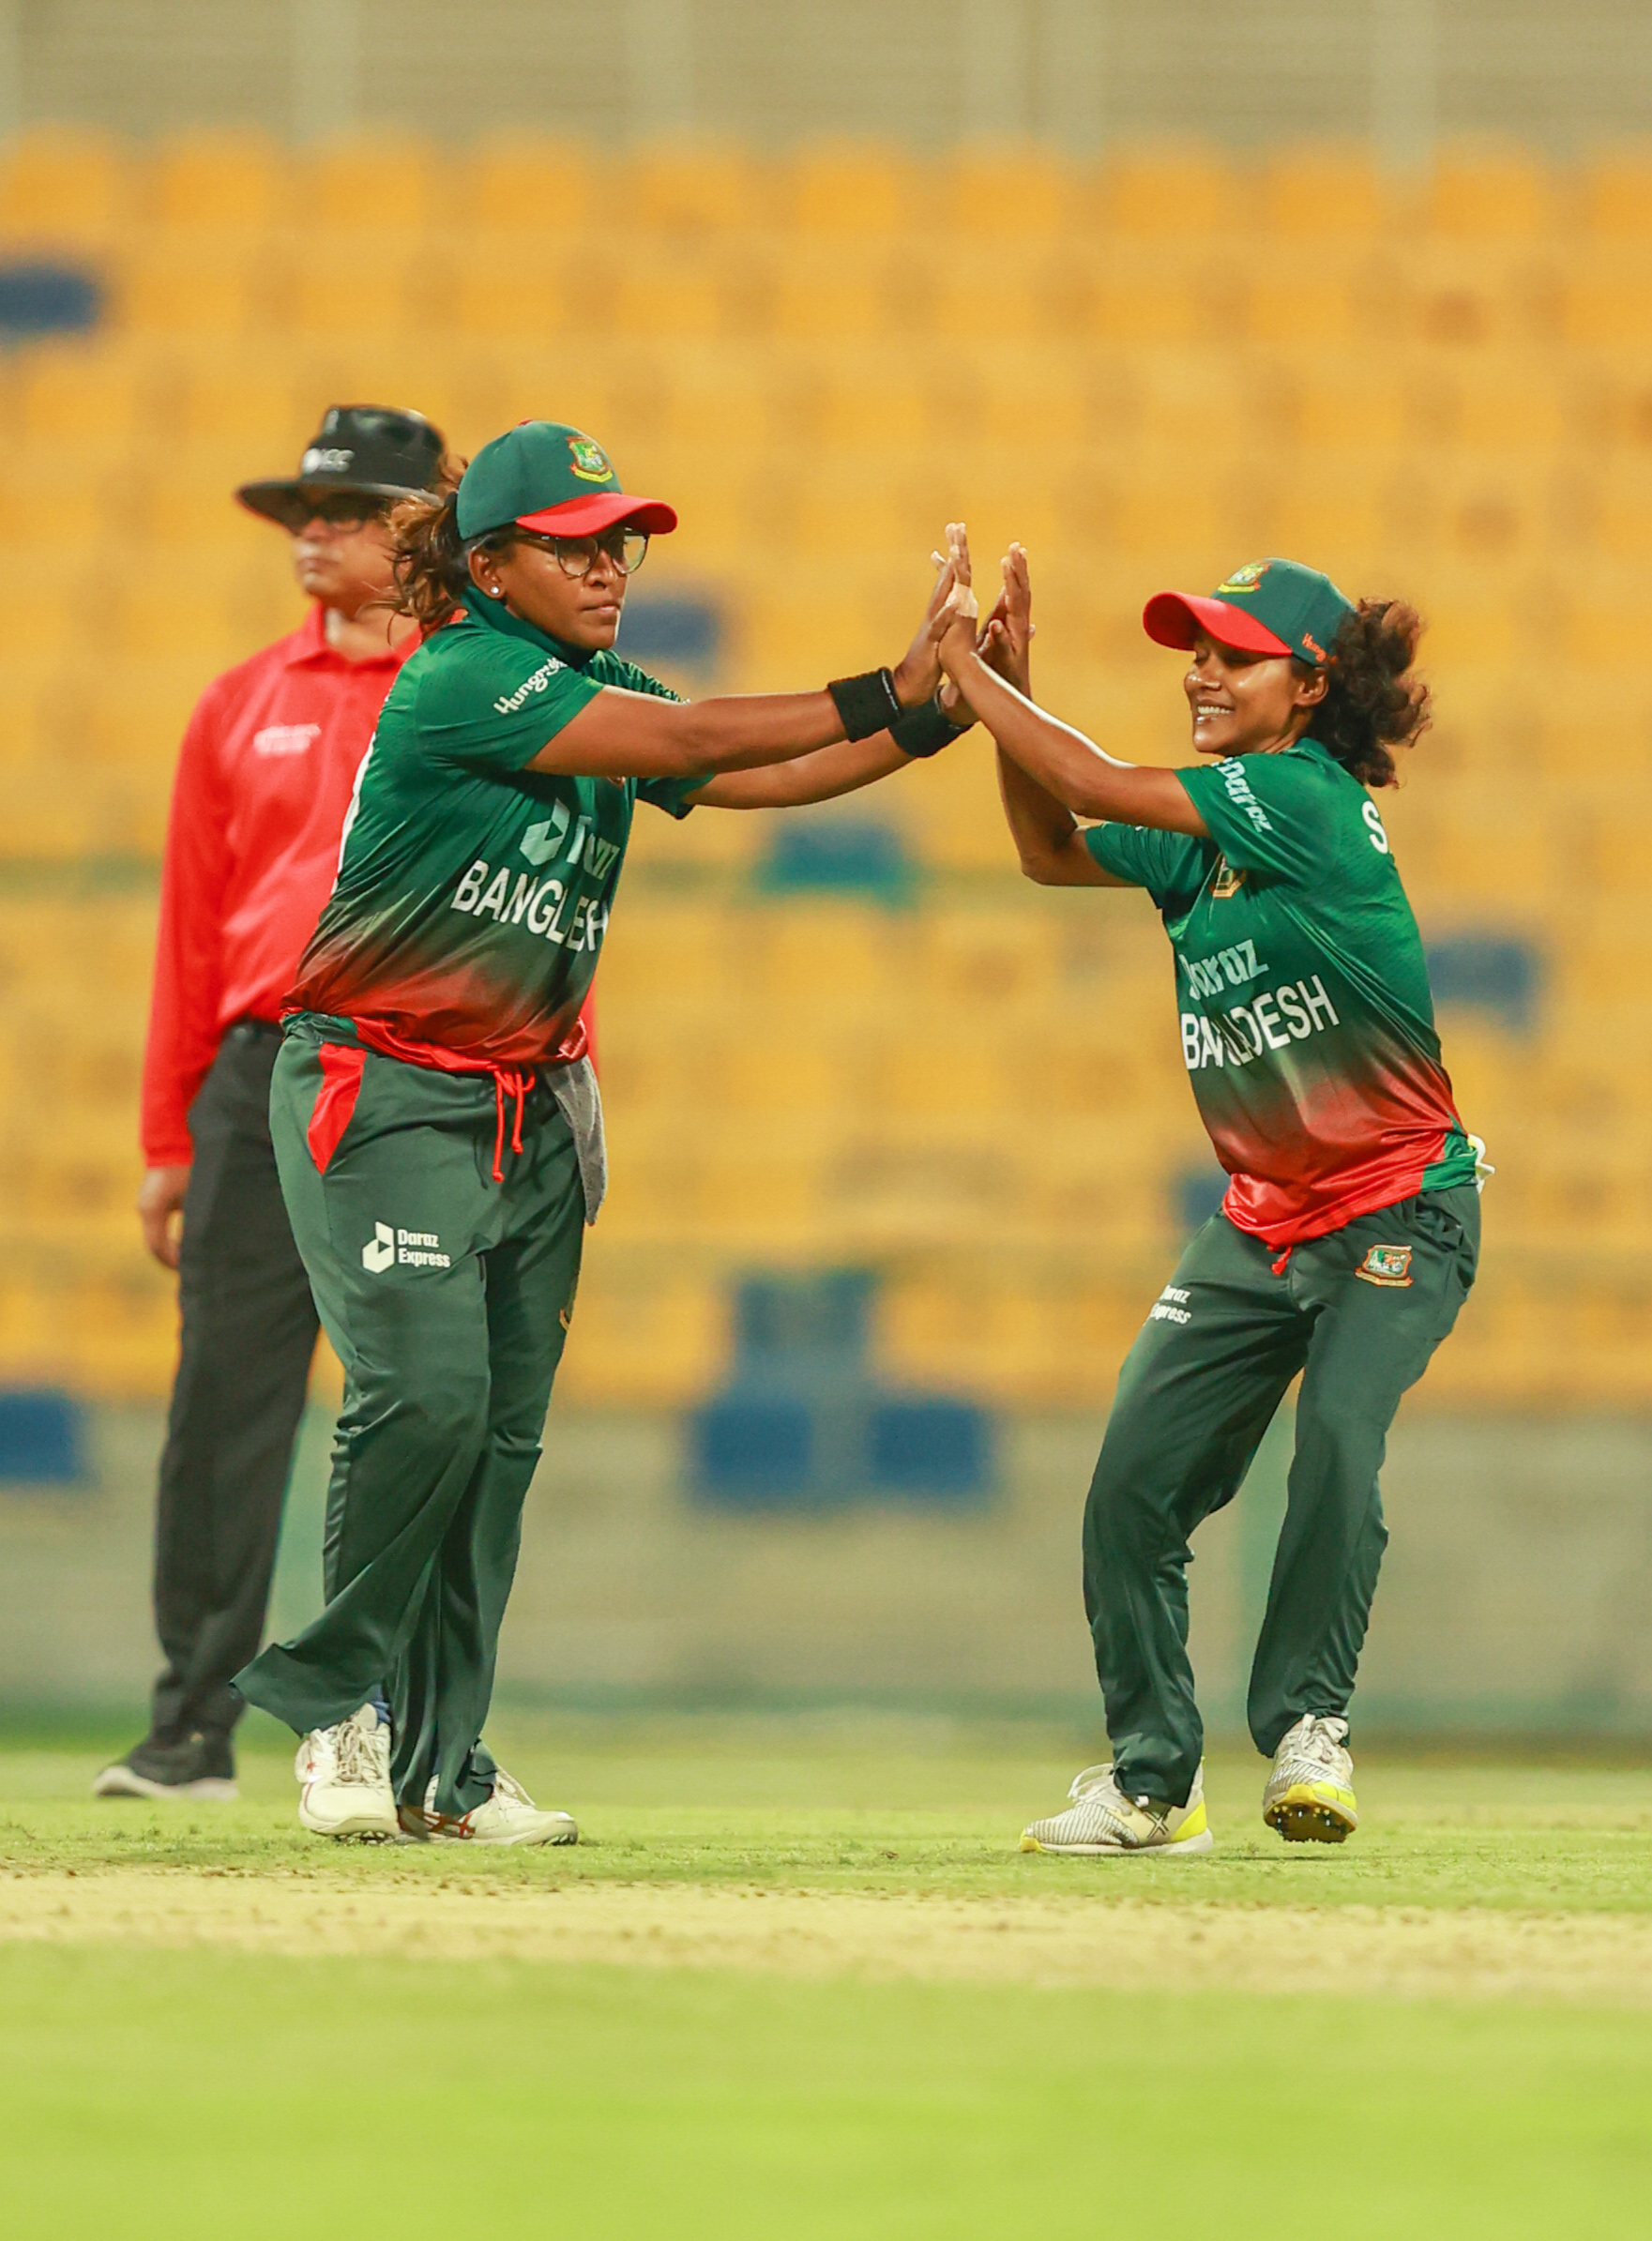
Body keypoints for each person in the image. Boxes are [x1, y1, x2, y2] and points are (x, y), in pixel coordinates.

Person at [232, 419, 973, 1845]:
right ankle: (345, 1714)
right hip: (384, 1088)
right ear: (492, 562)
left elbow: (754, 778)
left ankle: (443, 1768)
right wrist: (890, 677)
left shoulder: (593, 686)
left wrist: (942, 708)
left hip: (527, 1106)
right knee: (426, 1395)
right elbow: (699, 736)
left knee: (497, 1444)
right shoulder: (461, 675)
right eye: (577, 543)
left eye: (621, 541)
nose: (611, 565)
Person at [935, 532, 1484, 1855]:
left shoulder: (1299, 792)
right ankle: (1148, 1782)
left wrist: (968, 672)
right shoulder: (1207, 837)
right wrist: (1012, 699)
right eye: (1193, 647)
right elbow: (1050, 846)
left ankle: (1308, 1729)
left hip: (1397, 1205)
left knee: (1339, 1440)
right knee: (1129, 1487)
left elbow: (1091, 772)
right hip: (1258, 1221)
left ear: (1304, 686)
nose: (1199, 668)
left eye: (1229, 654)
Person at [94, 407, 453, 1804]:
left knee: (422, 1400)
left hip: (421, 1066)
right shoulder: (237, 700)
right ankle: (192, 1725)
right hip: (258, 1072)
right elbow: (193, 929)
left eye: (351, 509)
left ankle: (416, 1726)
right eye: (306, 510)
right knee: (225, 1404)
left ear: (423, 529)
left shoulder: (475, 687)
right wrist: (165, 1137)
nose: (313, 531)